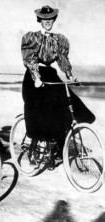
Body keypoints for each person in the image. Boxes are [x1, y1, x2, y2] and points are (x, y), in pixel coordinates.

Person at [21, 6, 95, 156]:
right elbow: (30, 58)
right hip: (33, 75)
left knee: (67, 102)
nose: (47, 22)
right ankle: (37, 141)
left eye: (50, 19)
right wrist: (36, 77)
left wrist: (69, 75)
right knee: (40, 107)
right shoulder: (31, 37)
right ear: (40, 20)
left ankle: (58, 141)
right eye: (44, 19)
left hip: (49, 73)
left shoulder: (59, 39)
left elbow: (62, 59)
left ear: (53, 20)